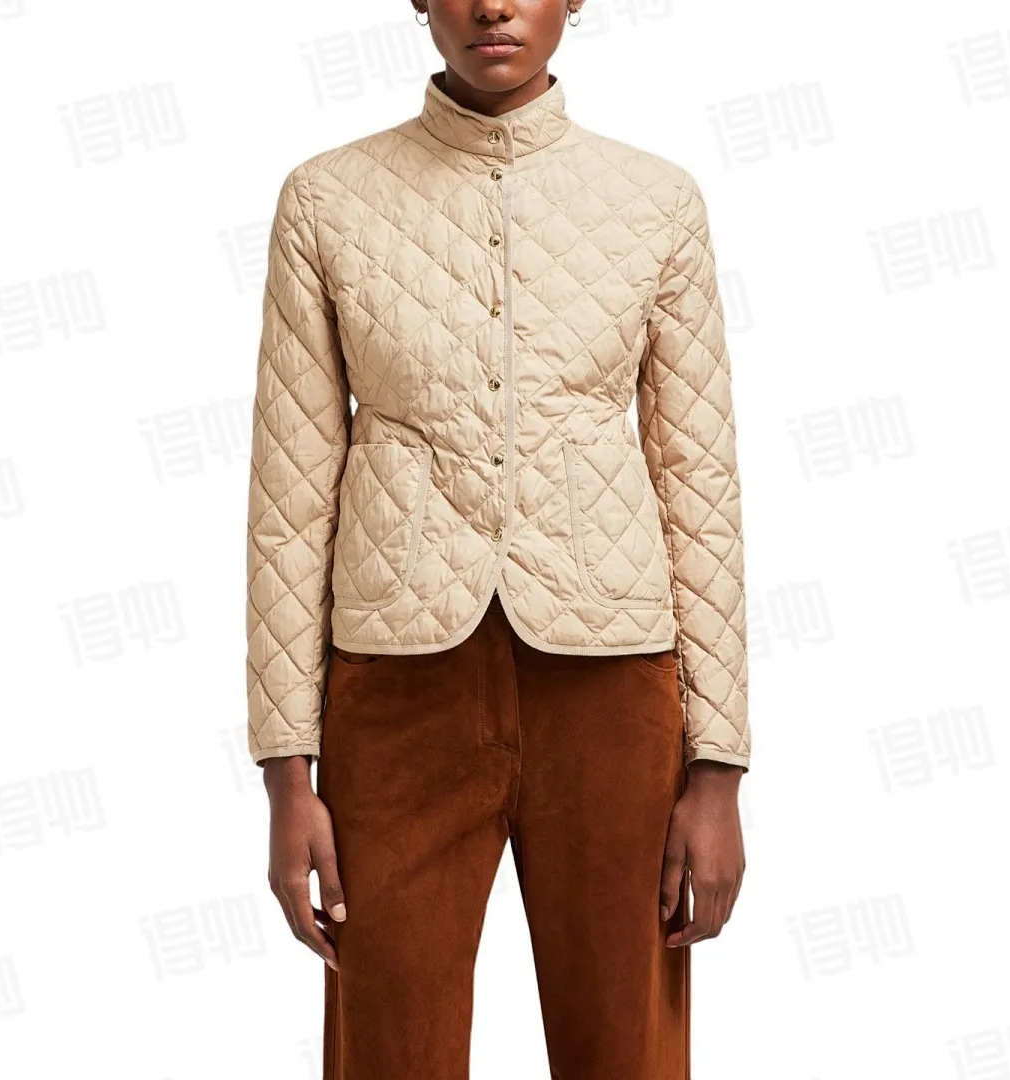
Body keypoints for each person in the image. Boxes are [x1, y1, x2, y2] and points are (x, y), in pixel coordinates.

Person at [245, 1, 749, 1076]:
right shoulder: (326, 198)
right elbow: (288, 498)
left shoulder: (656, 201)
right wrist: (286, 772)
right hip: (395, 690)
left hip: (612, 686)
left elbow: (699, 484)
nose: (492, 6)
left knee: (627, 1053)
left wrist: (719, 769)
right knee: (390, 1053)